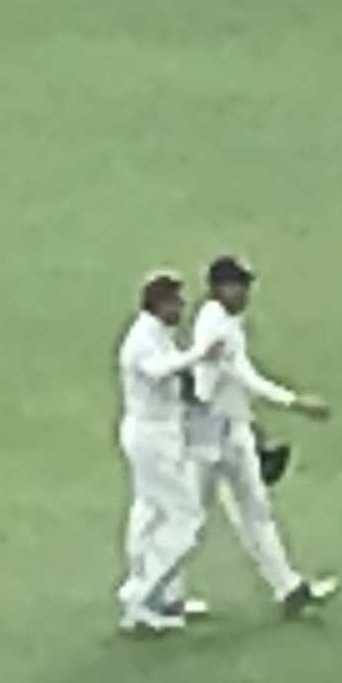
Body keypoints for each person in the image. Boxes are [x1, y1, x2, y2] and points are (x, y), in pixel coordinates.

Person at [187, 255, 338, 615]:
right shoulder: (215, 327)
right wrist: (295, 402)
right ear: (217, 289)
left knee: (254, 510)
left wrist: (249, 424)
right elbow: (240, 377)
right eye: (237, 286)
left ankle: (288, 588)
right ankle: (155, 593)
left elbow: (232, 386)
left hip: (231, 431)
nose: (244, 293)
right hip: (206, 436)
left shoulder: (226, 322)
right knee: (189, 517)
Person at [114, 270, 207, 634]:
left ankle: (164, 595)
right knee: (185, 520)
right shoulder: (142, 339)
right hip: (152, 435)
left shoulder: (159, 335)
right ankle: (141, 597)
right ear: (160, 304)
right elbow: (157, 371)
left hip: (159, 432)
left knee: (151, 512)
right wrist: (199, 353)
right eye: (177, 303)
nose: (182, 309)